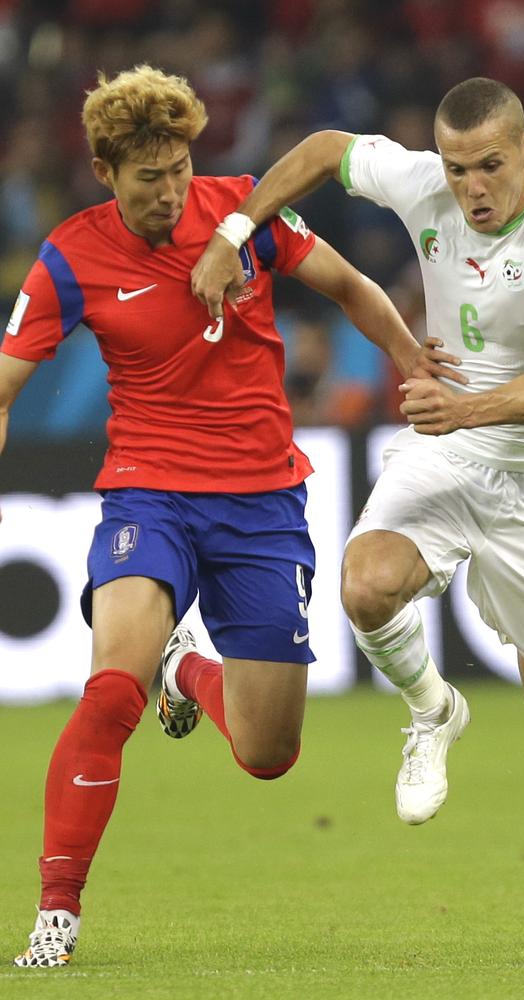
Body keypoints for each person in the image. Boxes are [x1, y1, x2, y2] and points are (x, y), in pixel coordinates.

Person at [0, 64, 462, 969]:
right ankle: (57, 913)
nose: (171, 191)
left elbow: (353, 288)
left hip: (262, 504)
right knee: (109, 693)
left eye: (178, 168)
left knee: (267, 752)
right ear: (104, 171)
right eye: (148, 178)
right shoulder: (69, 256)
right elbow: (8, 382)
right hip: (149, 494)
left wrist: (414, 362)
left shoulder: (245, 212)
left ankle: (190, 672)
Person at [189, 77, 524, 950]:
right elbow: (317, 151)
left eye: (491, 166)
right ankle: (431, 710)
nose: (472, 188)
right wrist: (237, 229)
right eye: (458, 169)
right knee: (366, 586)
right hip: (447, 447)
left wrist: (462, 409)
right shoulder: (423, 181)